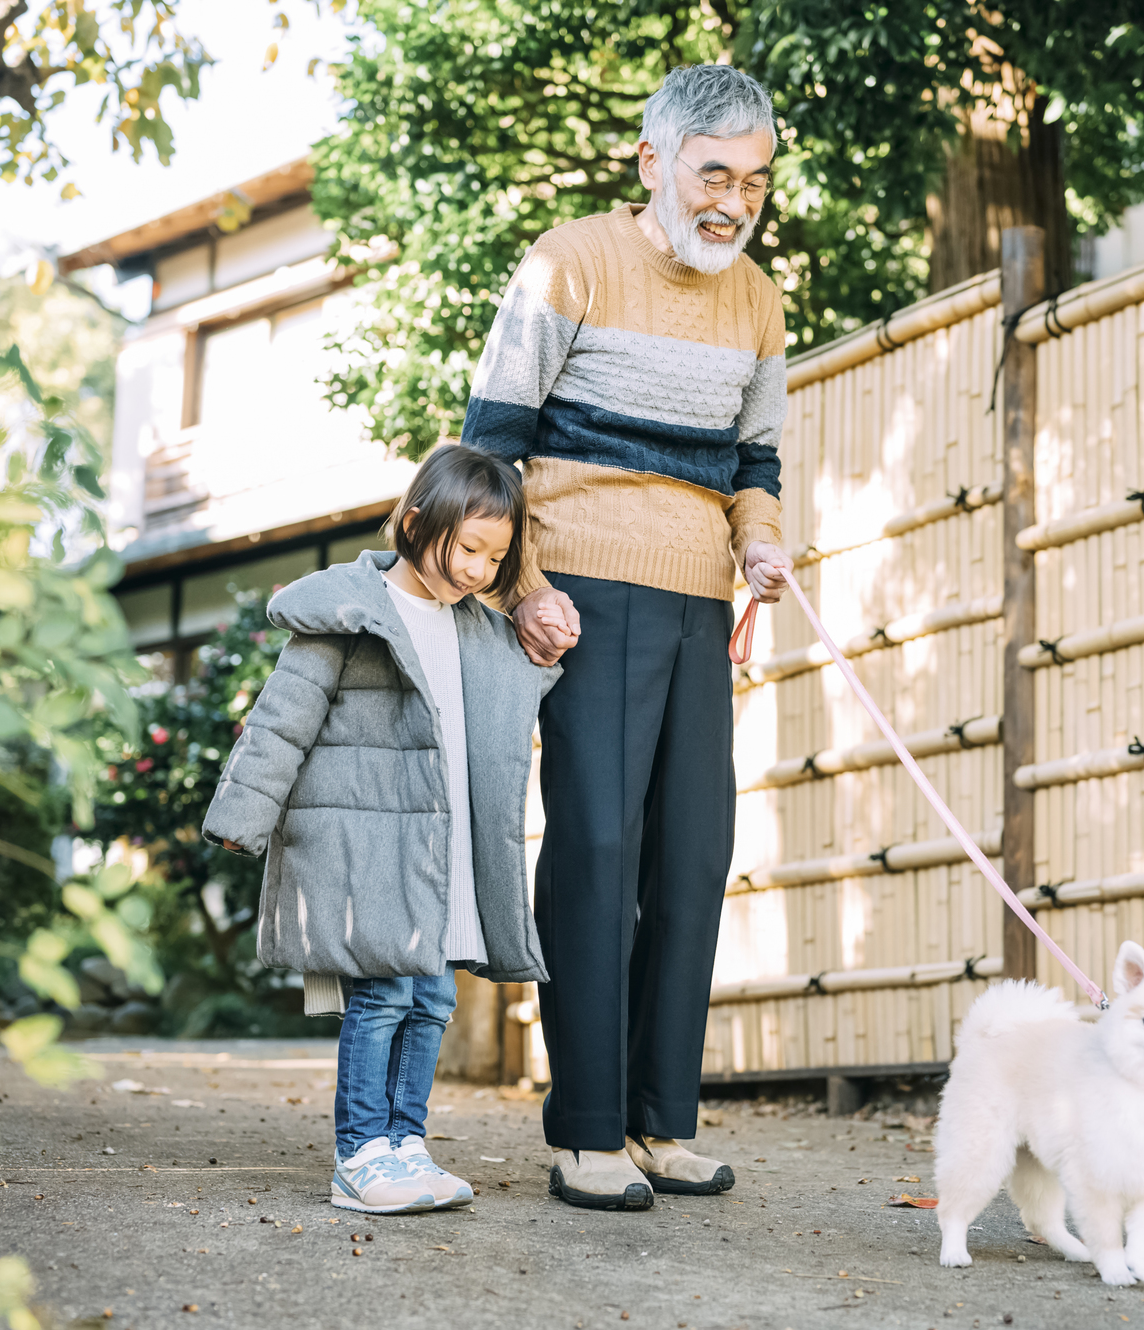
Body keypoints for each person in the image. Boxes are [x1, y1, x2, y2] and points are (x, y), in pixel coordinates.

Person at [461, 64, 795, 1211]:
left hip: (700, 598)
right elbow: (491, 449)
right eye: (713, 173)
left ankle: (661, 1122)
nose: (732, 201)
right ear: (651, 162)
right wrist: (523, 587)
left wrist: (762, 542)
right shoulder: (567, 261)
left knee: (692, 857)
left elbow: (757, 464)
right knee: (598, 850)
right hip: (581, 596)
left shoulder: (756, 298)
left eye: (753, 181)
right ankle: (586, 1129)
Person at [201, 446, 563, 1214]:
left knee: (432, 999)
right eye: (468, 548)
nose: (477, 568)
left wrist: (547, 637)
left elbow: (517, 687)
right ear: (414, 522)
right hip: (368, 846)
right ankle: (360, 1152)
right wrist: (242, 814)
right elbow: (282, 720)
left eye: (496, 557)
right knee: (384, 998)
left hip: (440, 849)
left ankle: (407, 1146)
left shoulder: (476, 627)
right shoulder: (350, 613)